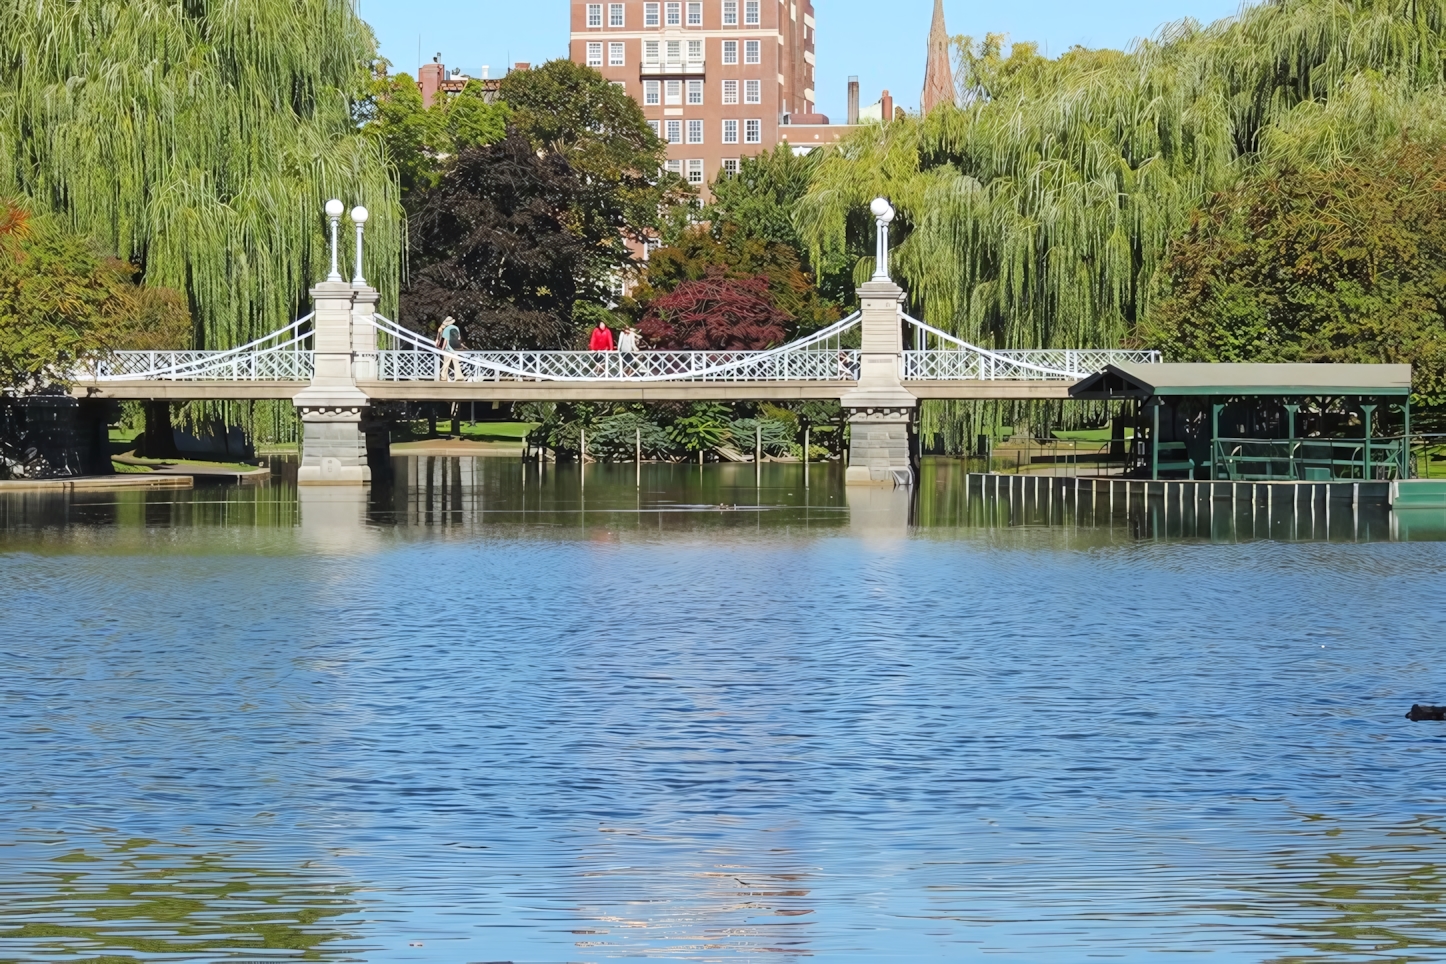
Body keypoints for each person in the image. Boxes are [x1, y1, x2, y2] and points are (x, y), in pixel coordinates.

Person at [435, 316, 465, 381]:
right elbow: (459, 338)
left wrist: (442, 349)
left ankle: (443, 376)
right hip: (456, 349)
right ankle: (459, 376)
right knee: (456, 363)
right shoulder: (456, 328)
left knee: (446, 363)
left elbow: (445, 340)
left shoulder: (446, 329)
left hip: (448, 349)